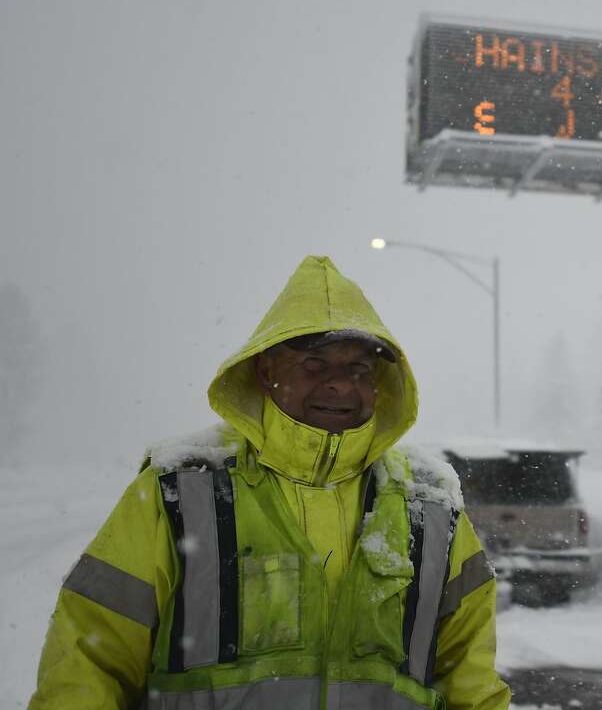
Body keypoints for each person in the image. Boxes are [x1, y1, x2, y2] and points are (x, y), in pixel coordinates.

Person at [30, 255, 511, 710]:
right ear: (265, 371)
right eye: (314, 365)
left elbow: (470, 677)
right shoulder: (181, 489)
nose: (340, 385)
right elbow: (90, 658)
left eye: (358, 368)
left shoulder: (428, 504)